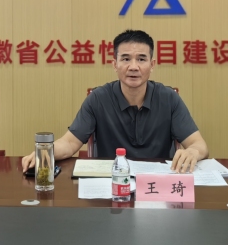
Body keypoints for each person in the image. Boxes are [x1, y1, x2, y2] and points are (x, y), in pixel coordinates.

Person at [21, 30, 209, 172]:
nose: (133, 67)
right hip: (110, 184)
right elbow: (70, 143)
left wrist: (192, 152)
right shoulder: (98, 99)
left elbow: (199, 144)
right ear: (114, 64)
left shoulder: (169, 98)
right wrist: (44, 152)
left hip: (158, 186)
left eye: (141, 59)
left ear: (152, 65)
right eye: (126, 59)